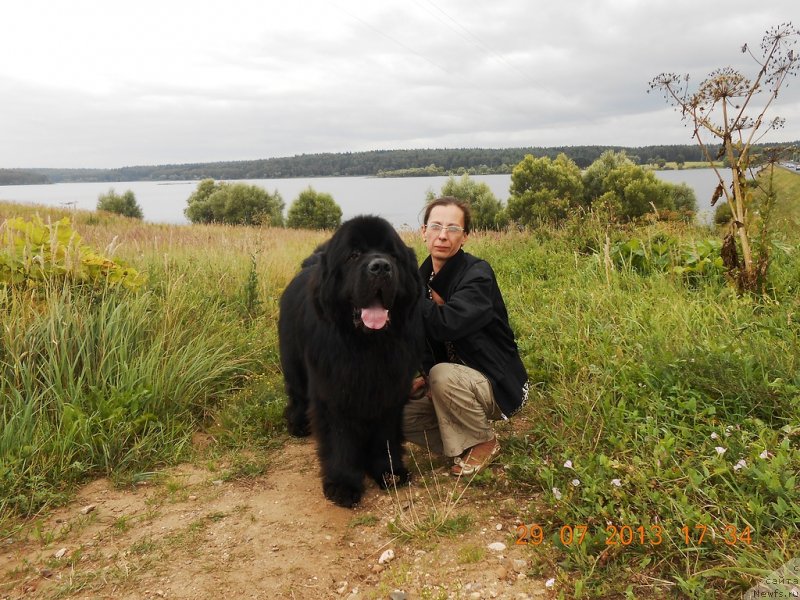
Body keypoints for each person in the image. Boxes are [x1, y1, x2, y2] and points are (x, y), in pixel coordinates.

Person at [404, 196, 529, 476]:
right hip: (449, 382)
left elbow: (446, 325)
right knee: (396, 412)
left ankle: (484, 442)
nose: (443, 236)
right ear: (423, 232)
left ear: (465, 238)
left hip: (494, 382)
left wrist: (408, 296)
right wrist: (421, 378)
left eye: (453, 229)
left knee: (442, 375)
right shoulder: (420, 279)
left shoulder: (477, 274)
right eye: (435, 227)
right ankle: (461, 444)